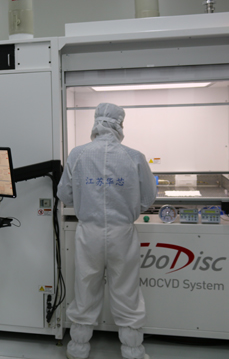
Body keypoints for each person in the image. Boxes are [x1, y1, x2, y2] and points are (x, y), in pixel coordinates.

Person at [57, 103, 157, 359]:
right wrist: (126, 209)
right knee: (126, 289)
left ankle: (78, 348)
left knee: (85, 287)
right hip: (122, 233)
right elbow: (148, 198)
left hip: (88, 232)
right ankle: (133, 350)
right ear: (120, 124)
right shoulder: (134, 156)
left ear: (95, 122)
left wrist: (86, 201)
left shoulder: (78, 154)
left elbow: (64, 194)